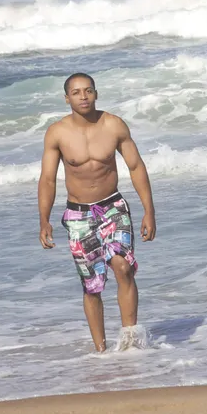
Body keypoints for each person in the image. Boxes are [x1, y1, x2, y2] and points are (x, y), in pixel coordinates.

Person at [38, 72, 156, 352]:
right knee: (92, 285)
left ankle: (130, 342)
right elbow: (48, 179)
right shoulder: (57, 132)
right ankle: (101, 351)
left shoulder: (114, 125)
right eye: (76, 92)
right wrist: (43, 220)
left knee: (123, 267)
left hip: (113, 207)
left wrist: (149, 210)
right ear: (67, 98)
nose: (83, 96)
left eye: (88, 91)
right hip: (79, 215)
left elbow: (136, 167)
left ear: (96, 94)